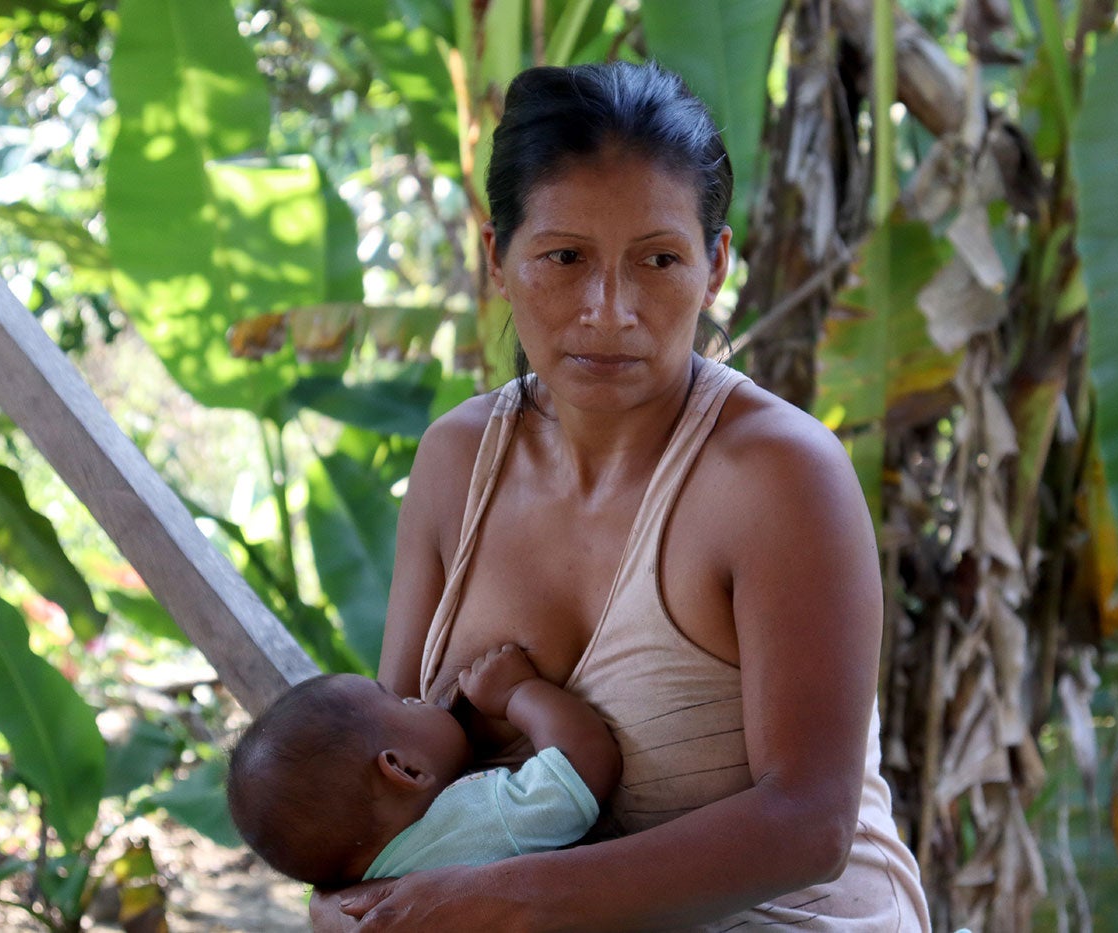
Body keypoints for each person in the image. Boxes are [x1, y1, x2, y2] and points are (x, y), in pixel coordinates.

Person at [312, 59, 932, 931]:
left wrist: (508, 900)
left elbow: (809, 825)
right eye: (564, 257)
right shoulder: (459, 462)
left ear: (715, 266)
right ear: (498, 256)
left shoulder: (778, 475)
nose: (609, 309)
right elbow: (392, 775)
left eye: (659, 260)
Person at [227, 643, 621, 889]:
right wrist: (517, 693)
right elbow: (582, 764)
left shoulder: (379, 882)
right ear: (406, 771)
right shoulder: (473, 825)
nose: (416, 698)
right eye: (401, 703)